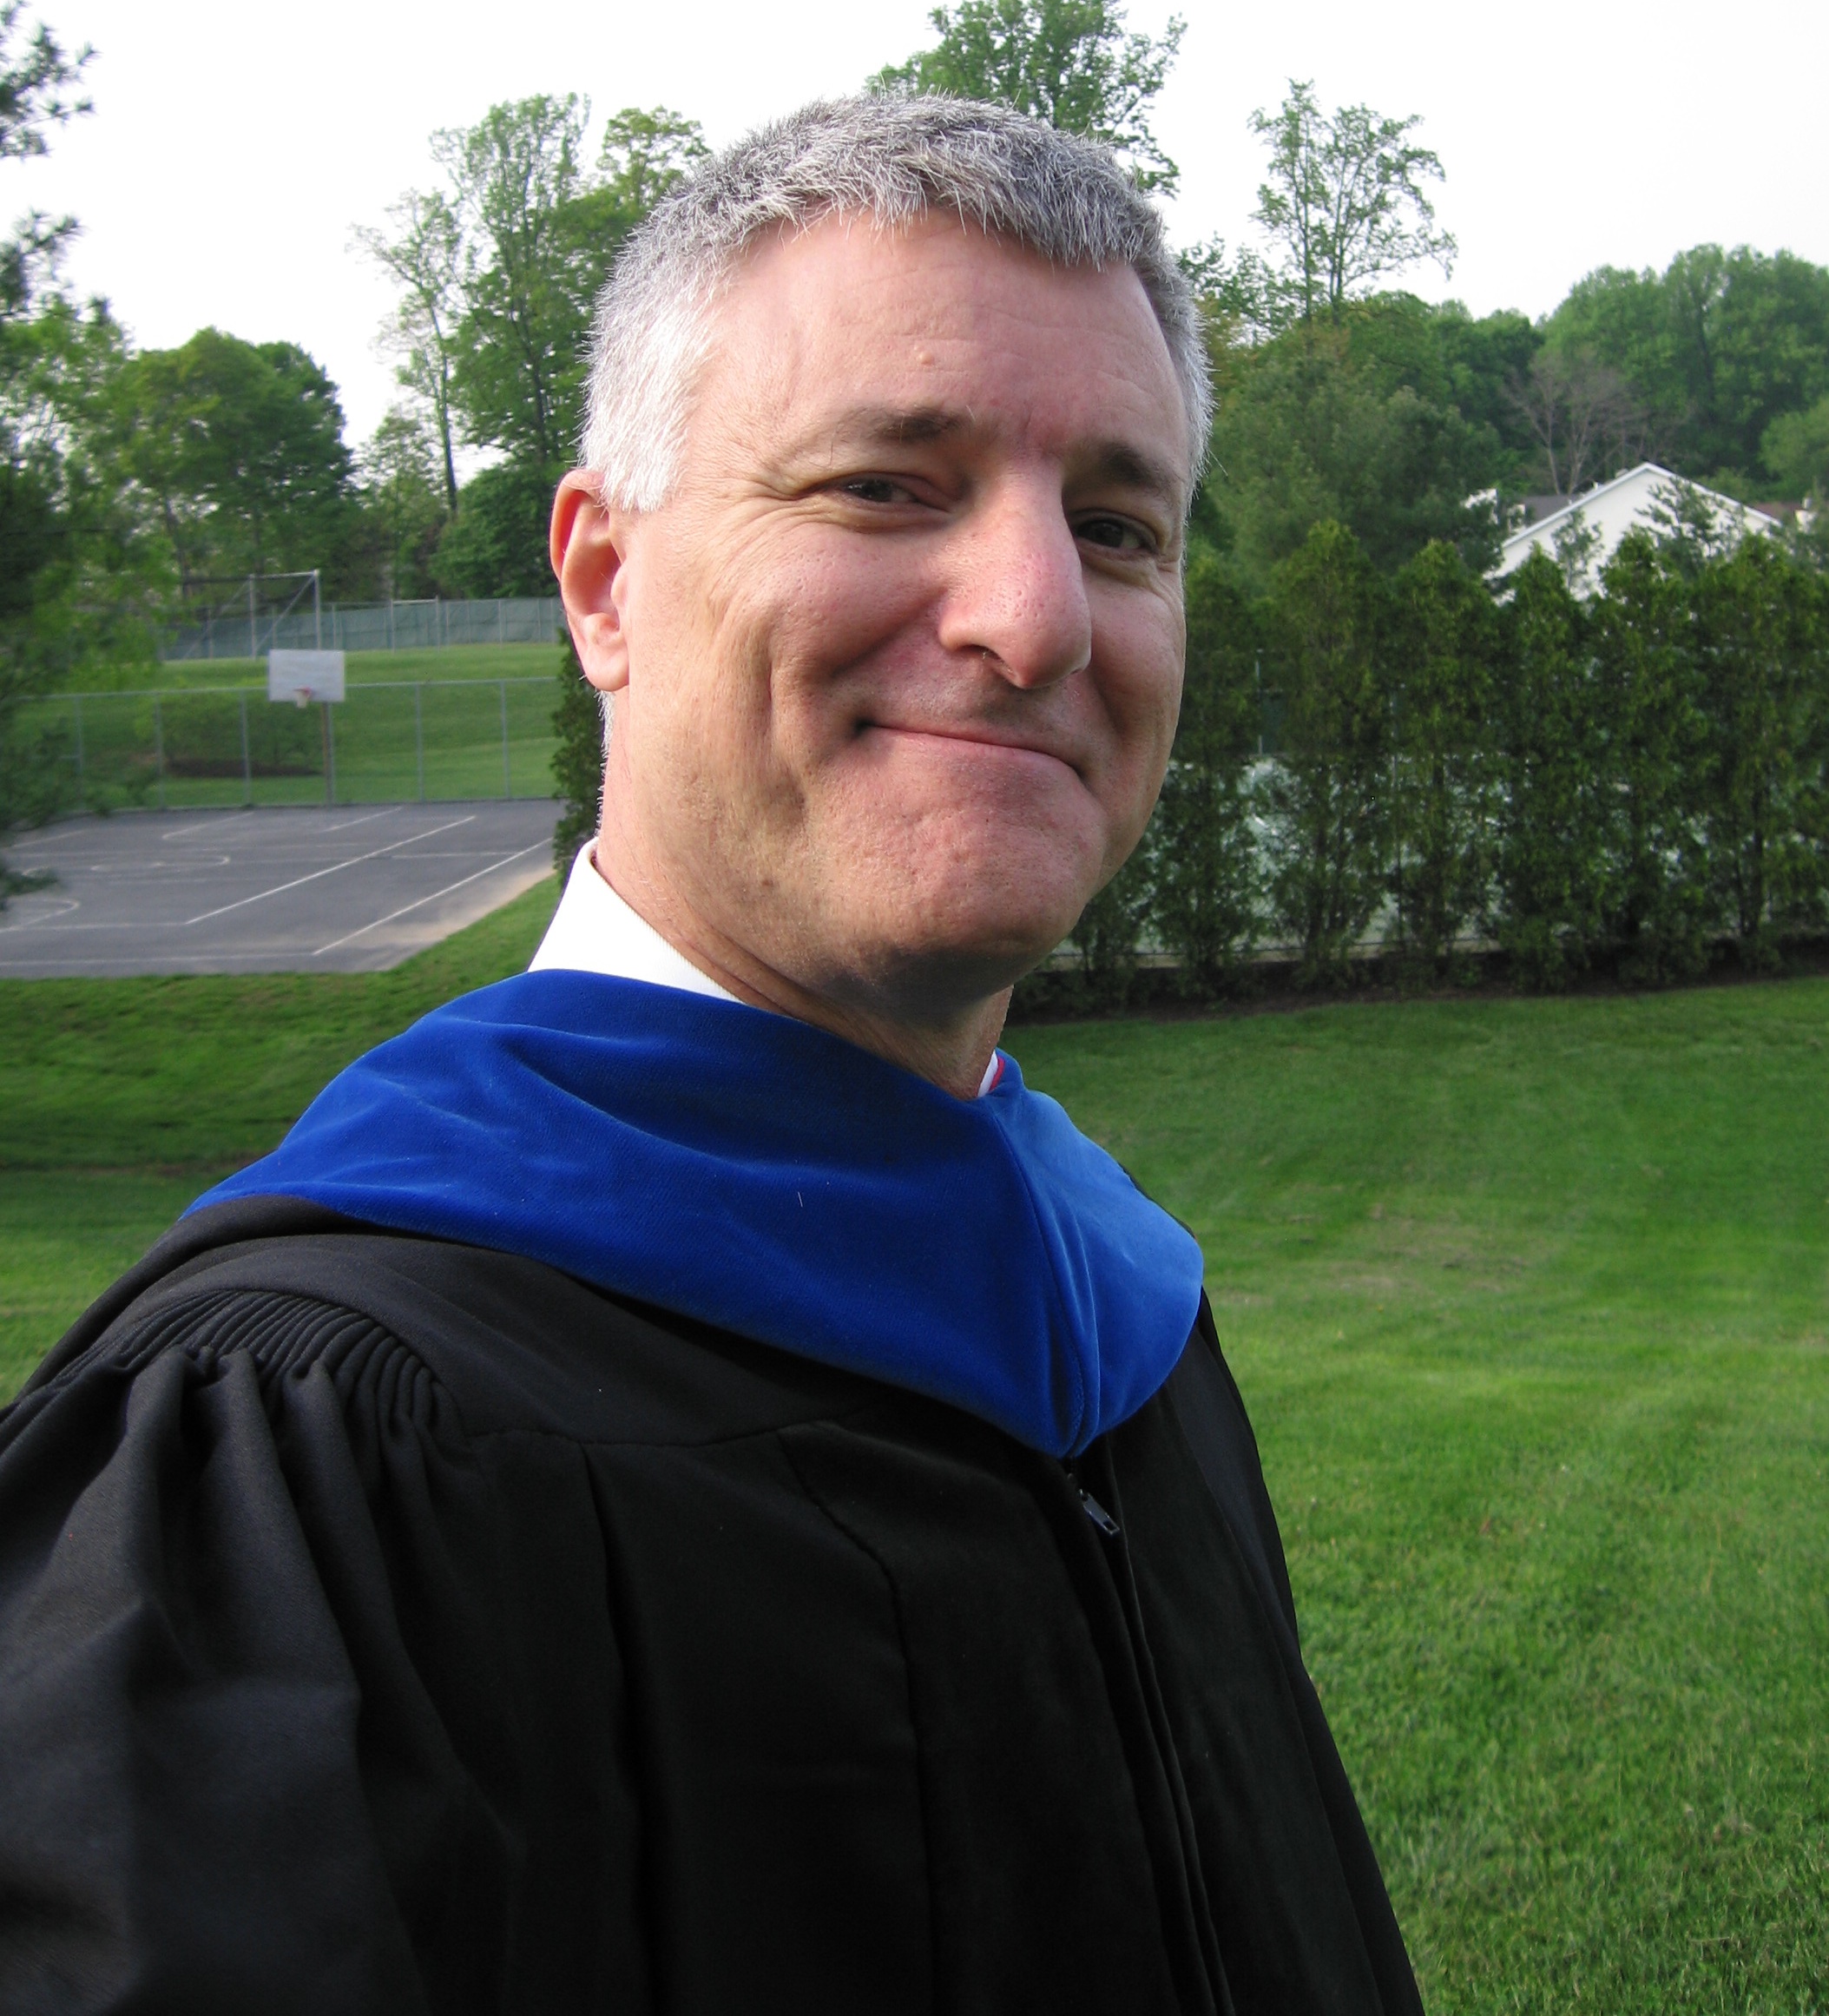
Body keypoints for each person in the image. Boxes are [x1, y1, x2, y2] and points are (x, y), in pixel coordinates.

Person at [0, 97, 1421, 2014]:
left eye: (1116, 526)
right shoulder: (304, 1434)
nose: (1035, 619)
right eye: (884, 486)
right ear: (604, 582)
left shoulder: (1124, 1327)